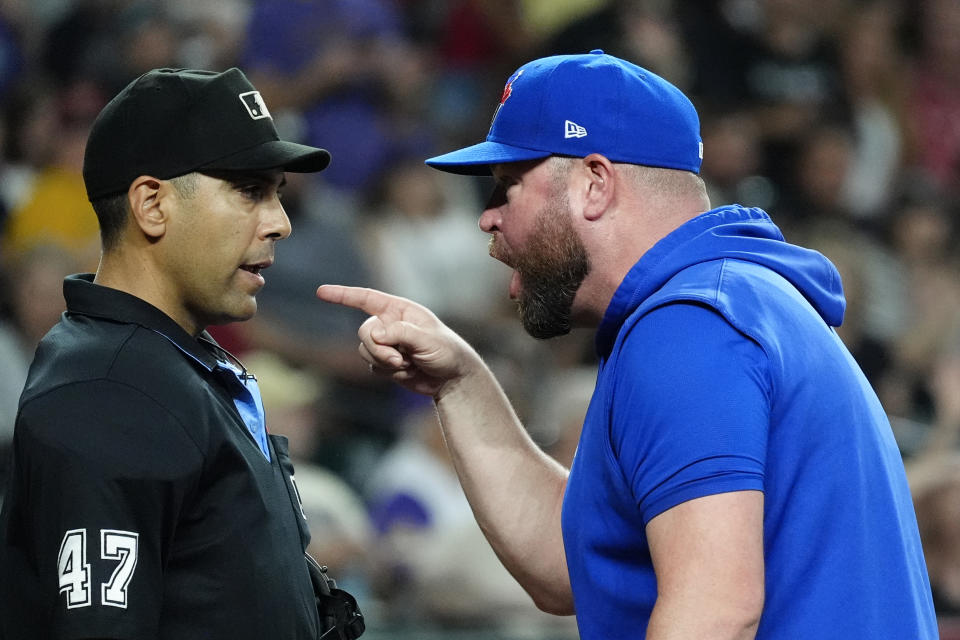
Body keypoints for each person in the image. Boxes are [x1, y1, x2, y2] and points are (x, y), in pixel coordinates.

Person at [317, 50, 938, 638]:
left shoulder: (691, 325)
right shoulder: (724, 303)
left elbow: (715, 615)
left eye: (507, 185)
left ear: (594, 184)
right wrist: (460, 381)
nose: (486, 216)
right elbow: (570, 562)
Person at [0, 68, 363, 640]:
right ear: (152, 205)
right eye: (250, 190)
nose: (281, 223)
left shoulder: (170, 360)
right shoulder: (108, 394)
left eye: (278, 193)